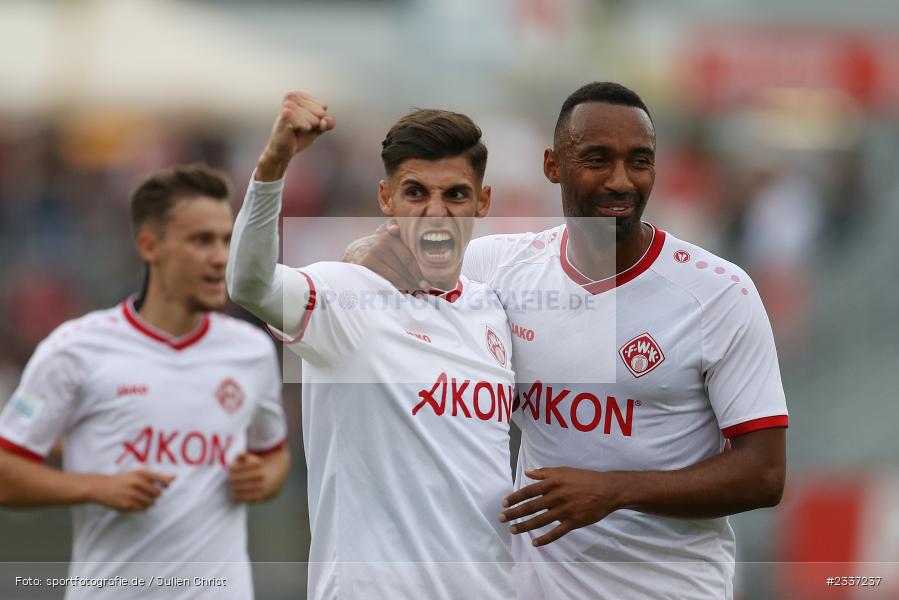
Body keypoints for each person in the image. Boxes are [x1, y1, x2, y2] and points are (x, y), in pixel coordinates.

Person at [346, 82, 789, 600]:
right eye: (598, 159)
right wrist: (362, 258)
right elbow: (386, 266)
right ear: (553, 165)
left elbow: (764, 473)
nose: (621, 181)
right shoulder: (498, 268)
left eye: (639, 161)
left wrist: (615, 490)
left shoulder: (718, 293)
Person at [226, 91, 517, 600]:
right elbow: (250, 284)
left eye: (454, 194)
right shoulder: (346, 293)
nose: (435, 212)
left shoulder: (493, 309)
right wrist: (275, 164)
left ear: (482, 202)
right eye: (415, 192)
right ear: (386, 198)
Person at [0, 165, 290, 600]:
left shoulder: (252, 350)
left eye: (226, 240)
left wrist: (262, 479)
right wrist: (96, 486)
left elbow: (274, 456)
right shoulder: (76, 349)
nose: (219, 256)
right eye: (201, 240)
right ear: (149, 246)